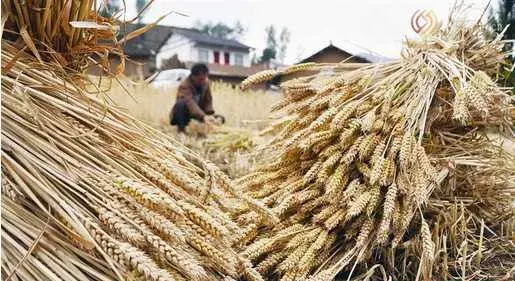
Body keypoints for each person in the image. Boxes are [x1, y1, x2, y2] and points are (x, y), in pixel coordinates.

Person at [170, 63, 218, 133]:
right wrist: (203, 116)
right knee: (180, 104)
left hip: (199, 114)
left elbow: (208, 101)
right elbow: (190, 103)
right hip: (186, 115)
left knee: (220, 118)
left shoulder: (205, 83)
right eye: (200, 79)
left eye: (205, 78)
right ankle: (181, 130)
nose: (203, 81)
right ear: (193, 76)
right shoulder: (185, 85)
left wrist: (209, 115)